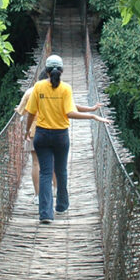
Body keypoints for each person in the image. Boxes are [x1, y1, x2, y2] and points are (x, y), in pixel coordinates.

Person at [24, 54, 111, 224]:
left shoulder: (38, 87)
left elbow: (31, 112)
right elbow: (70, 112)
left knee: (45, 173)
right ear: (61, 71)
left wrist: (27, 130)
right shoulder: (66, 88)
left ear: (46, 71)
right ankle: (62, 206)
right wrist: (92, 116)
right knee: (61, 171)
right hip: (61, 136)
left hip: (41, 135)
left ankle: (45, 214)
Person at [16, 82, 104, 198]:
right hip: (54, 130)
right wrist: (91, 110)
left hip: (34, 132)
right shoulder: (59, 90)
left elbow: (22, 112)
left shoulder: (30, 92)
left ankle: (38, 195)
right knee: (52, 161)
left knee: (36, 163)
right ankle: (56, 190)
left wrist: (25, 129)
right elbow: (71, 108)